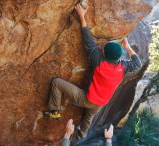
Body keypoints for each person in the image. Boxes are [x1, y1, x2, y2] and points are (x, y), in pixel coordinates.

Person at [44, 3, 142, 140]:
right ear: (119, 58)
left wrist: (81, 16)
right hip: (101, 103)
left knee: (56, 83)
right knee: (88, 117)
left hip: (87, 99)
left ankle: (54, 111)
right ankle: (81, 134)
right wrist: (128, 47)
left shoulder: (98, 61)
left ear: (104, 53)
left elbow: (88, 39)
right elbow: (137, 63)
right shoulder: (123, 67)